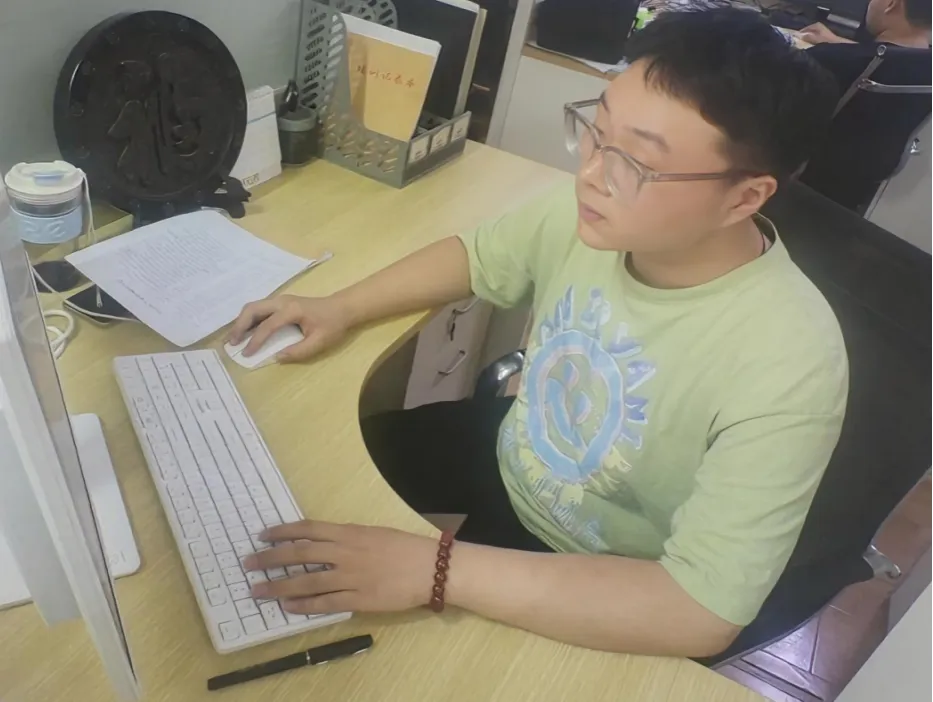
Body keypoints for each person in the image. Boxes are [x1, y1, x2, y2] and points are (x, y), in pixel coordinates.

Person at [229, 8, 847, 658]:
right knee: (285, 491)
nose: (590, 173)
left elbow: (698, 611)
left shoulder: (790, 361)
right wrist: (341, 306)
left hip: (603, 569)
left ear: (744, 198)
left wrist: (436, 568)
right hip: (513, 452)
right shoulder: (593, 213)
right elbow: (477, 256)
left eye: (636, 162)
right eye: (597, 131)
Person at [798, 0, 933, 211]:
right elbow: (895, 58)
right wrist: (841, 44)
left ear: (891, 3)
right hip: (853, 194)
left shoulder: (828, 60)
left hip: (797, 179)